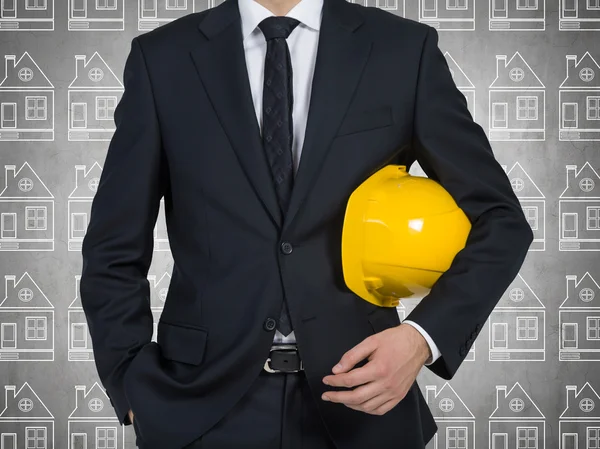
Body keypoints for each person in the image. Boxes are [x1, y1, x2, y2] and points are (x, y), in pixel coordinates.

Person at [79, 0, 534, 446]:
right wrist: (131, 384)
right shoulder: (163, 58)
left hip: (363, 404)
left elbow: (500, 220)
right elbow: (113, 246)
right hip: (199, 407)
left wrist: (421, 338)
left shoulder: (402, 49)